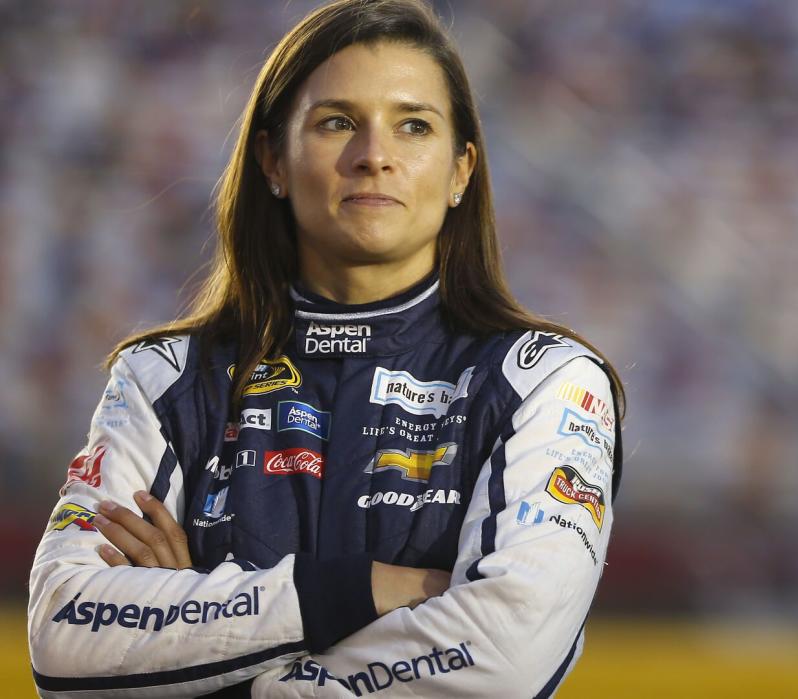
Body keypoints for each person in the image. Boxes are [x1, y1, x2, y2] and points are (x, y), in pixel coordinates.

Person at [26, 0, 624, 696]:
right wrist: (350, 591)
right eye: (338, 121)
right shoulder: (166, 379)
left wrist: (213, 654)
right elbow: (64, 635)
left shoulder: (547, 380)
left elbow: (508, 653)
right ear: (273, 159)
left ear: (462, 170)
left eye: (414, 126)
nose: (375, 156)